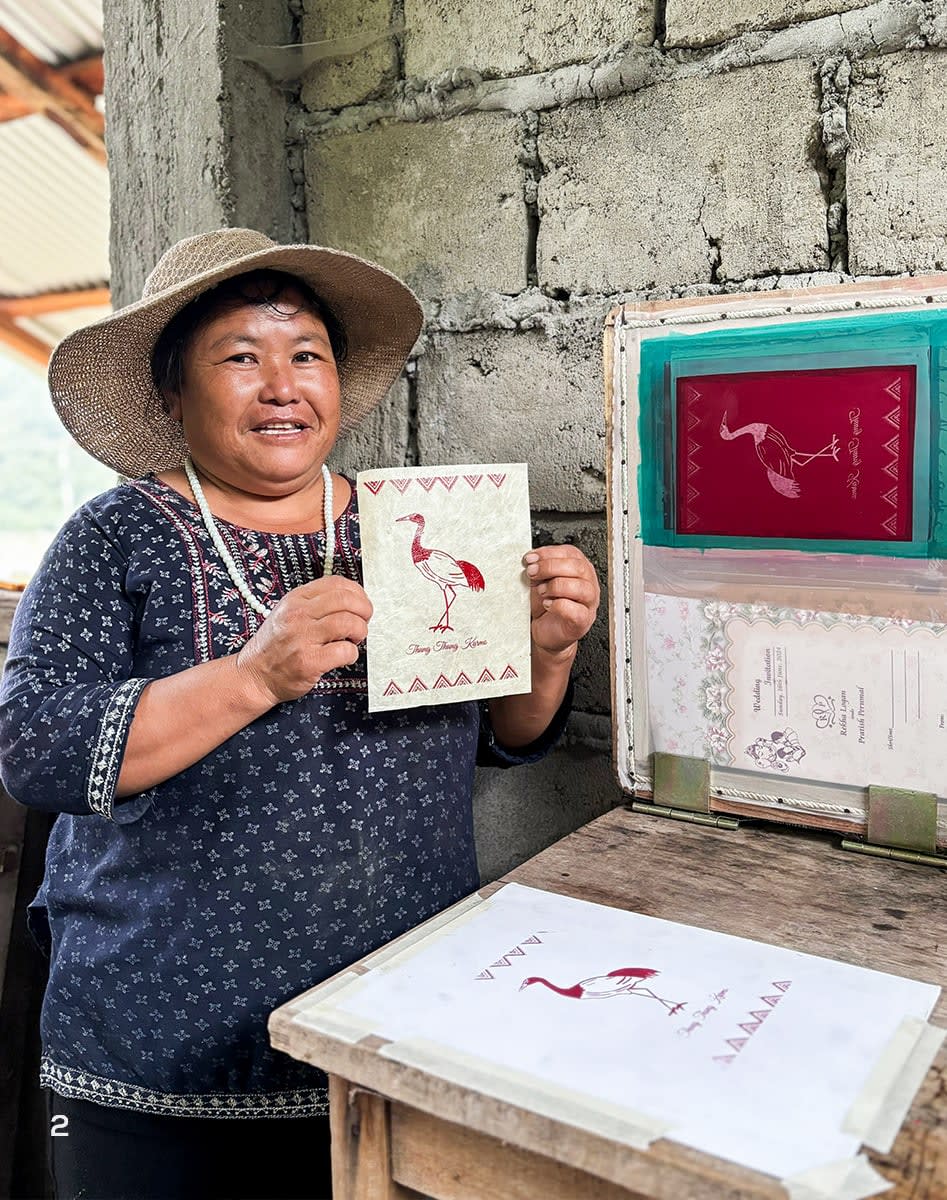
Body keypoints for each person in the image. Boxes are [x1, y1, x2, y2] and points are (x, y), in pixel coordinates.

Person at [0, 228, 600, 1200]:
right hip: (159, 1064)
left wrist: (546, 651)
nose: (282, 385)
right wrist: (249, 676)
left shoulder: (411, 527)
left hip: (392, 1041)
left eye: (305, 355)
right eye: (241, 358)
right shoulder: (113, 537)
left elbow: (501, 738)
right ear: (170, 391)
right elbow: (36, 748)